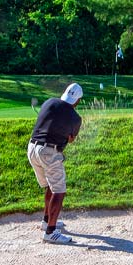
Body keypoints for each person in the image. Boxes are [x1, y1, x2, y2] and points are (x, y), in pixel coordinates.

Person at [27, 82, 83, 244]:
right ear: (78, 100)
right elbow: (70, 139)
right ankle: (50, 232)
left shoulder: (50, 102)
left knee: (50, 186)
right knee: (59, 191)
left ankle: (46, 221)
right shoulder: (75, 118)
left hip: (32, 148)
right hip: (49, 152)